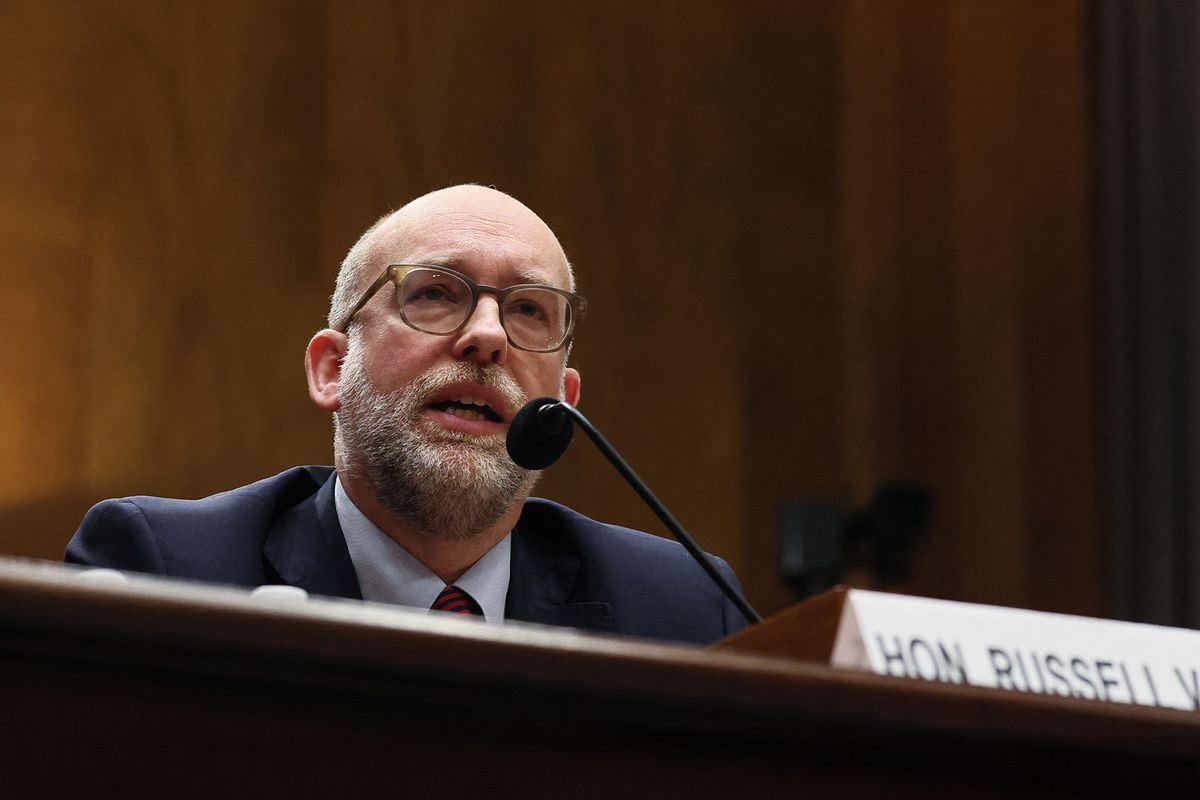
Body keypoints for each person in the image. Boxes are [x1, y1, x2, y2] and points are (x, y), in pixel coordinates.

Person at [66, 185, 748, 645]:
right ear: (333, 368)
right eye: (434, 294)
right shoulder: (166, 573)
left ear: (563, 406)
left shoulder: (682, 609)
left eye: (530, 310)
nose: (489, 336)